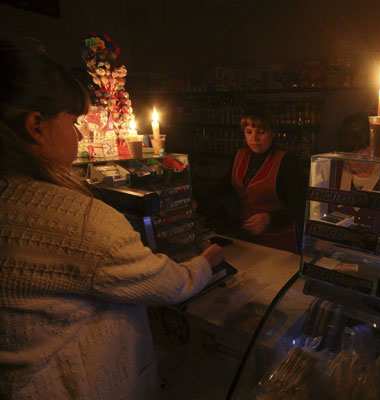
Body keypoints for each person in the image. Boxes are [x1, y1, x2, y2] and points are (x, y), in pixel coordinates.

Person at [0, 37, 224, 399]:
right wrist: (206, 262)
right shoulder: (77, 219)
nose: (77, 134)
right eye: (72, 121)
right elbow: (169, 285)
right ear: (36, 125)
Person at [198, 104, 306, 253]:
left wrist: (270, 218)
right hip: (248, 237)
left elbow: (300, 206)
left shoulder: (287, 160)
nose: (254, 138)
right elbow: (223, 184)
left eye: (261, 132)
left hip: (280, 239)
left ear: (272, 132)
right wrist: (197, 200)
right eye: (248, 132)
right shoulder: (241, 155)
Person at [334, 113, 380, 228]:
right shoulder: (334, 172)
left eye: (360, 154)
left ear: (374, 147)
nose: (351, 161)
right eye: (347, 154)